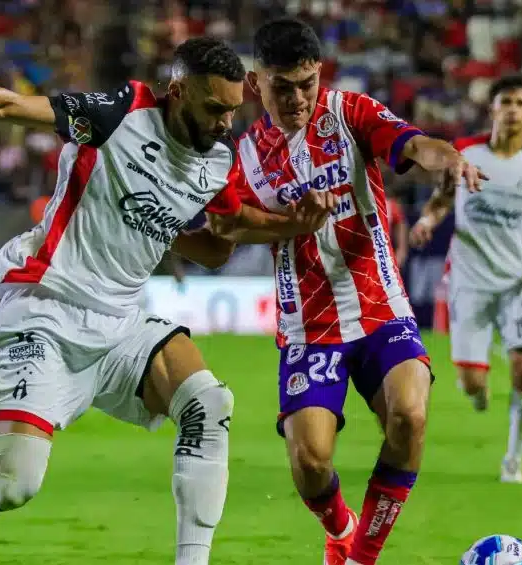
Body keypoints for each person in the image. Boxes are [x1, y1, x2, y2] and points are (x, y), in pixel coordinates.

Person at [0, 36, 328, 565]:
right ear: (178, 93)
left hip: (122, 323)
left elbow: (220, 242)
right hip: (45, 312)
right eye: (214, 109)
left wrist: (293, 222)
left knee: (209, 403)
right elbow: (12, 105)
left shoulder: (215, 162)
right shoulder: (119, 115)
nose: (226, 122)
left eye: (232, 110)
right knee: (14, 485)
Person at [209, 18, 485, 565]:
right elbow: (228, 227)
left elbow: (411, 143)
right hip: (309, 326)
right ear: (254, 82)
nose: (297, 98)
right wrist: (291, 223)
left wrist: (446, 158)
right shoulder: (240, 155)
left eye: (307, 84)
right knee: (311, 463)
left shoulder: (349, 112)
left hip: (380, 304)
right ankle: (340, 526)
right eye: (282, 87)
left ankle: (359, 556)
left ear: (320, 75)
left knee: (410, 415)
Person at [410, 75, 522, 484]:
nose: (514, 109)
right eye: (507, 101)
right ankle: (479, 393)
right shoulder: (465, 152)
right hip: (468, 281)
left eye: (521, 102)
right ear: (493, 108)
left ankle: (513, 461)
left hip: (518, 281)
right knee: (471, 384)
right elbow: (442, 199)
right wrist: (429, 219)